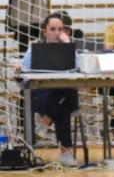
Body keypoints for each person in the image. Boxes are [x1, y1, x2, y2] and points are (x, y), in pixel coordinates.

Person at [19, 14, 80, 167]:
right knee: (64, 100)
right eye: (53, 29)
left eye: (60, 29)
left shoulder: (68, 48)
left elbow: (78, 68)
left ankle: (45, 123)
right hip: (41, 96)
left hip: (59, 97)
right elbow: (23, 70)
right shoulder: (35, 48)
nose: (57, 32)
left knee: (63, 94)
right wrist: (20, 68)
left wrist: (68, 45)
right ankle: (66, 153)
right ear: (44, 32)